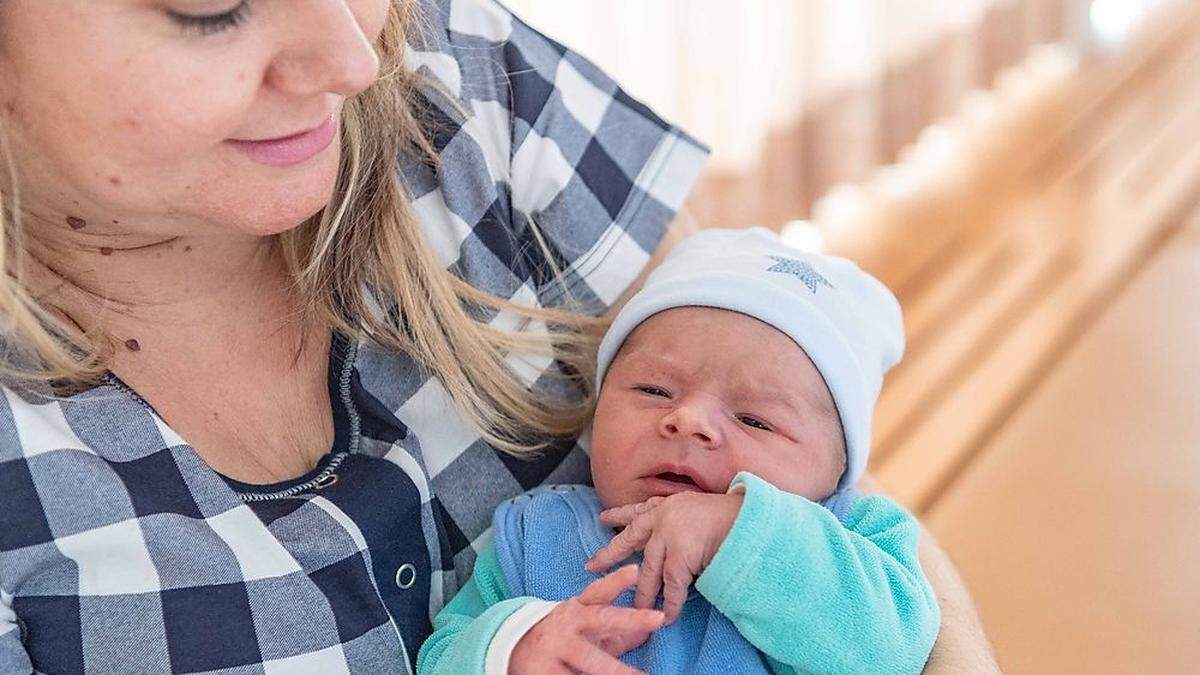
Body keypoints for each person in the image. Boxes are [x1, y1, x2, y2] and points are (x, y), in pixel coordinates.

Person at [0, 0, 997, 673]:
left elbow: (803, 434)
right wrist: (515, 644)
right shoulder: (540, 542)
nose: (355, 55)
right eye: (209, 4)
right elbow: (469, 639)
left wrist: (753, 537)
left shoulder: (452, 68)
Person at [418, 228, 940, 674]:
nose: (687, 420)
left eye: (755, 419)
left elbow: (892, 649)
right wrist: (511, 649)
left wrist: (741, 533)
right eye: (654, 391)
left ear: (837, 472)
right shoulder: (537, 534)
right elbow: (441, 653)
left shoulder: (854, 539)